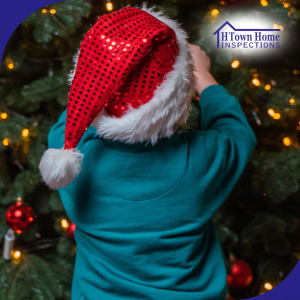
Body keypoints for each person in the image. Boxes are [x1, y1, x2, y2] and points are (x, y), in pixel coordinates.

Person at [39, 3, 257, 300]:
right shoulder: (201, 159)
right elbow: (236, 131)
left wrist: (104, 72)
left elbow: (77, 113)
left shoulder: (72, 155)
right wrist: (204, 77)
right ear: (178, 94)